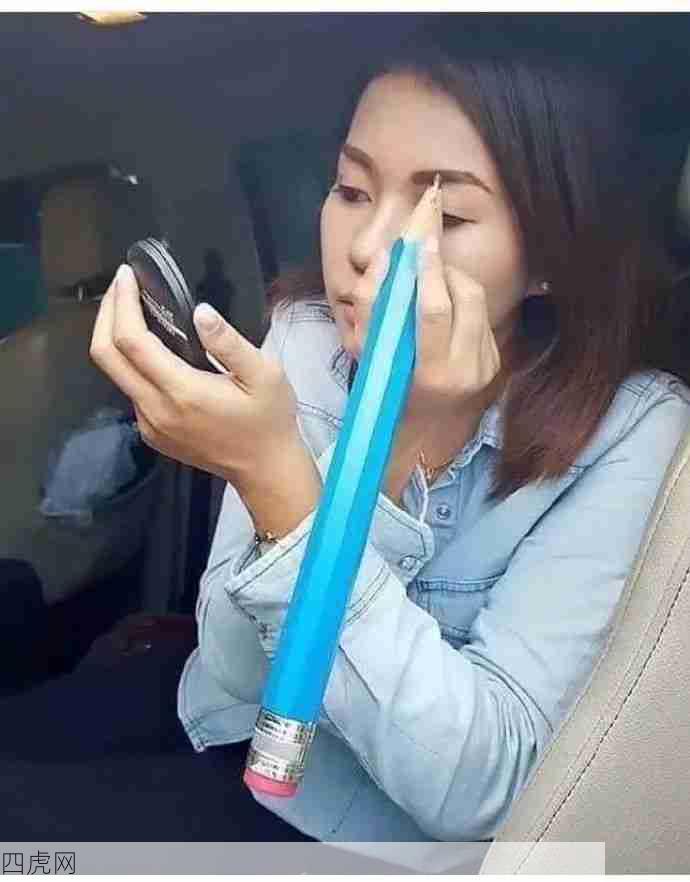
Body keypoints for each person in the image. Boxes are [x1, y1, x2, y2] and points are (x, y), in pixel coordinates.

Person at [2, 30, 690, 847]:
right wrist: (340, 458)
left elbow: (483, 792)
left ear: (549, 253)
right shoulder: (306, 340)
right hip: (218, 721)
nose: (364, 250)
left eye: (448, 215)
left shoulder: (633, 433)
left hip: (364, 829)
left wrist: (350, 457)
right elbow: (234, 672)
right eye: (353, 191)